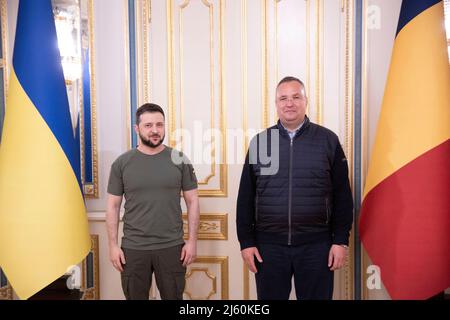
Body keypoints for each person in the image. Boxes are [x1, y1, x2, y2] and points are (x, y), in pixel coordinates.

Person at [236, 76, 353, 300]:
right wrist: (247, 242)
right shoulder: (261, 142)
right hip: (268, 248)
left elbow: (342, 196)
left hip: (317, 247)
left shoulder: (328, 140)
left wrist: (340, 240)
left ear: (305, 101)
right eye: (283, 98)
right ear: (276, 104)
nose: (289, 103)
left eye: (296, 97)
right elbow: (246, 197)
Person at [106, 103, 199, 300]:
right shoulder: (122, 163)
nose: (155, 130)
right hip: (133, 248)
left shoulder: (180, 159)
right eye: (148, 125)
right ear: (137, 129)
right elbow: (113, 207)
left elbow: (193, 202)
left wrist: (192, 242)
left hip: (172, 247)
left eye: (159, 124)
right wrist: (113, 246)